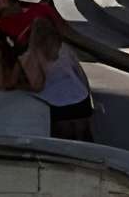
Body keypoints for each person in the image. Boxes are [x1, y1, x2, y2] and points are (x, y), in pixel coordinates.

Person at [24, 9, 95, 141]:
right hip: (80, 98)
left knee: (64, 140)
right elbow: (80, 74)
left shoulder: (32, 55)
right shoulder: (65, 49)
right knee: (84, 137)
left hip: (57, 104)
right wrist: (87, 95)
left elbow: (34, 84)